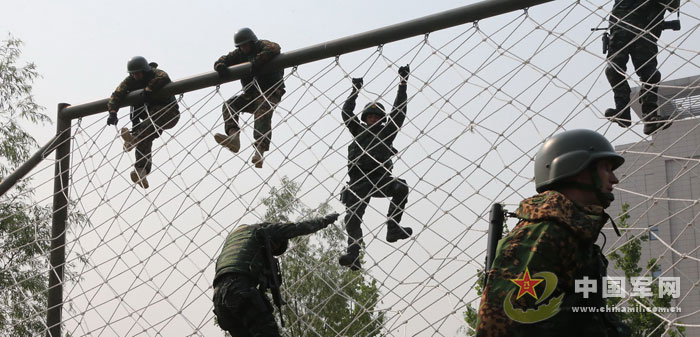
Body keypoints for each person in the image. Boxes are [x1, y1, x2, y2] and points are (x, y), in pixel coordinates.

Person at [476, 129, 630, 337]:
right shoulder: (546, 232)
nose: (614, 179)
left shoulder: (572, 229)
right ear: (578, 168)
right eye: (606, 169)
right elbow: (503, 321)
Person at [212, 213, 339, 336]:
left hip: (219, 300)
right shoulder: (266, 231)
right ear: (277, 242)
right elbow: (298, 227)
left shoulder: (234, 239)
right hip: (240, 289)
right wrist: (325, 221)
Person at [337, 65, 412, 271]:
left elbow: (399, 111)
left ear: (381, 119)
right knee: (352, 218)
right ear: (365, 119)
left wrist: (402, 84)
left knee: (401, 188)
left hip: (379, 179)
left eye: (376, 117)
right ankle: (353, 254)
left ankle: (393, 228)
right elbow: (346, 113)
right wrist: (355, 91)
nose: (372, 119)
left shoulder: (387, 132)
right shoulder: (358, 130)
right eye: (369, 117)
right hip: (358, 181)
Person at [604, 0, 679, 135]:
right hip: (620, 30)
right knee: (613, 69)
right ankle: (622, 111)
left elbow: (673, 5)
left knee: (650, 74)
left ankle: (650, 116)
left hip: (644, 31)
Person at [213, 27, 285, 168]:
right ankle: (233, 136)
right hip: (251, 94)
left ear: (252, 42)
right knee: (229, 104)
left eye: (246, 45)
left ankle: (259, 151)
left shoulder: (261, 46)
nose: (244, 48)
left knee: (262, 112)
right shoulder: (239, 54)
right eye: (241, 46)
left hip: (270, 92)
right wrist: (220, 66)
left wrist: (257, 62)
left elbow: (275, 48)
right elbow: (221, 60)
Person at [107, 56, 180, 189]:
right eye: (133, 74)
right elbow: (117, 94)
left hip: (169, 113)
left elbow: (164, 77)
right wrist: (112, 111)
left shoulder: (155, 73)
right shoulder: (130, 80)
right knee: (145, 137)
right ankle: (141, 170)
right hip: (149, 118)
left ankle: (133, 138)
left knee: (148, 122)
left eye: (139, 73)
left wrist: (149, 89)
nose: (136, 76)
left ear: (145, 71)